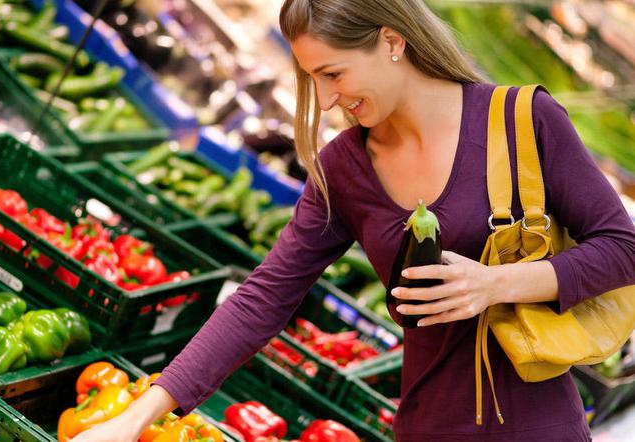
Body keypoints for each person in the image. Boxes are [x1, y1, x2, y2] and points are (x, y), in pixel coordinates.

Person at [71, 0, 635, 440]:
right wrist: (138, 415)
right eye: (312, 78)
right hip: (426, 427)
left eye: (333, 73)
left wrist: (495, 284)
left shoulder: (520, 120)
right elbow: (263, 297)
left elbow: (622, 246)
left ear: (392, 41)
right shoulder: (346, 168)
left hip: (537, 428)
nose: (327, 99)